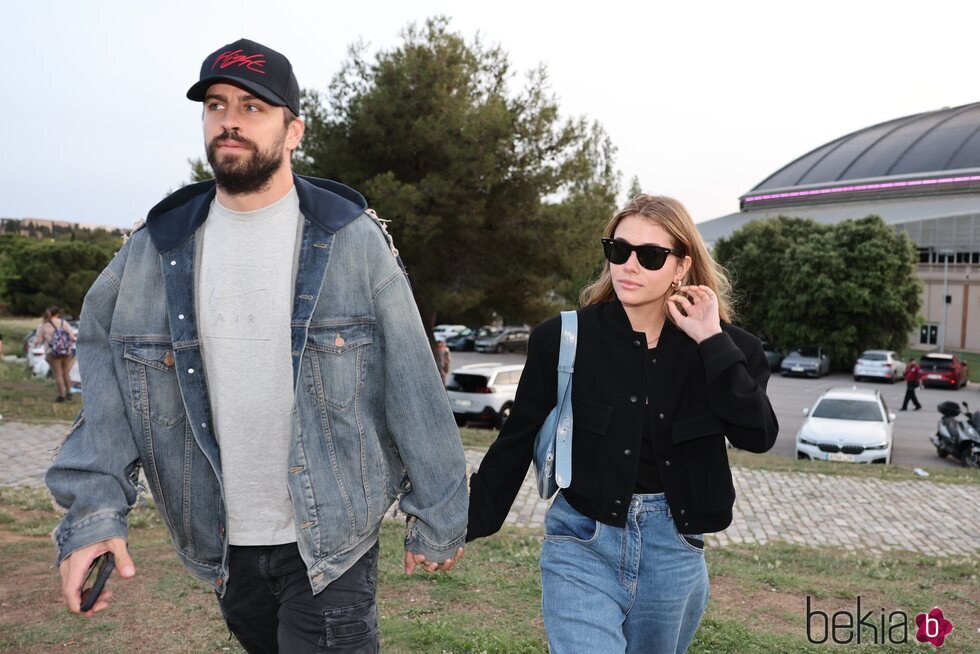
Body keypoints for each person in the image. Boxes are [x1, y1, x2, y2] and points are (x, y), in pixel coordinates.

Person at [46, 38, 467, 653]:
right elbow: (109, 396)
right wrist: (92, 517)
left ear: (293, 130)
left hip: (331, 538)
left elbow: (412, 379)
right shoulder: (151, 251)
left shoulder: (351, 240)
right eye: (216, 106)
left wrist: (438, 512)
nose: (231, 121)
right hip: (219, 540)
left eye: (252, 106)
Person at [467, 195, 779, 653]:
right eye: (618, 250)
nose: (629, 266)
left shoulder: (728, 348)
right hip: (581, 541)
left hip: (673, 551)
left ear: (681, 265)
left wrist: (711, 341)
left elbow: (759, 435)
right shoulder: (562, 338)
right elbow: (516, 441)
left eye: (650, 256)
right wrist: (459, 526)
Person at [34, 305, 77, 402]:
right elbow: (72, 337)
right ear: (58, 313)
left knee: (58, 374)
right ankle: (69, 393)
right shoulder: (63, 323)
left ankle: (61, 395)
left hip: (52, 353)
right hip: (66, 352)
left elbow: (38, 341)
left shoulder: (44, 325)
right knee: (66, 372)